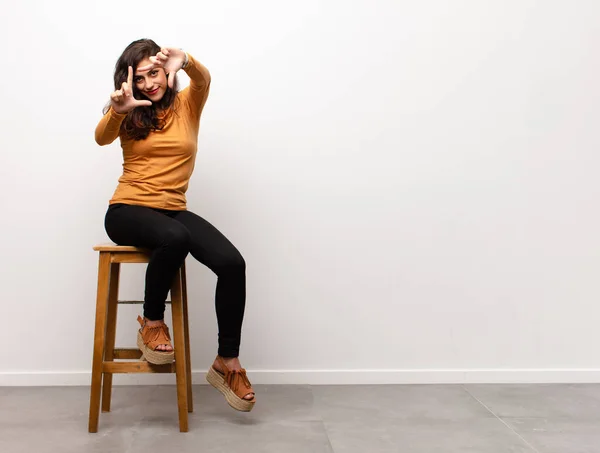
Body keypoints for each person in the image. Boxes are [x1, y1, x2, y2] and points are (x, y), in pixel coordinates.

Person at [94, 38, 255, 412]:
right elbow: (101, 138)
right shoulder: (126, 109)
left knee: (233, 264)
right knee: (175, 237)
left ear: (167, 72)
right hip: (127, 209)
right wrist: (118, 110)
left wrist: (188, 61)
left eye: (155, 73)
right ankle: (152, 322)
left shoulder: (186, 105)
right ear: (129, 81)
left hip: (172, 209)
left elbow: (203, 81)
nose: (150, 83)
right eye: (141, 77)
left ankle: (226, 362)